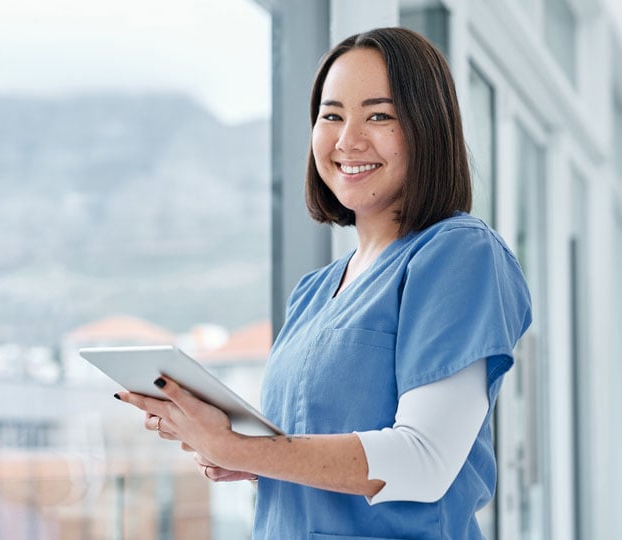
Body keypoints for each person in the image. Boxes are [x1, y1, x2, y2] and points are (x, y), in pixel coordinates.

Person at [116, 27, 532, 539]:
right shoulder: (314, 292)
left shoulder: (458, 254)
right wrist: (244, 457)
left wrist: (240, 447)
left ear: (428, 128)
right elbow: (318, 455)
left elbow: (424, 461)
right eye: (331, 115)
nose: (347, 139)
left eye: (379, 115)